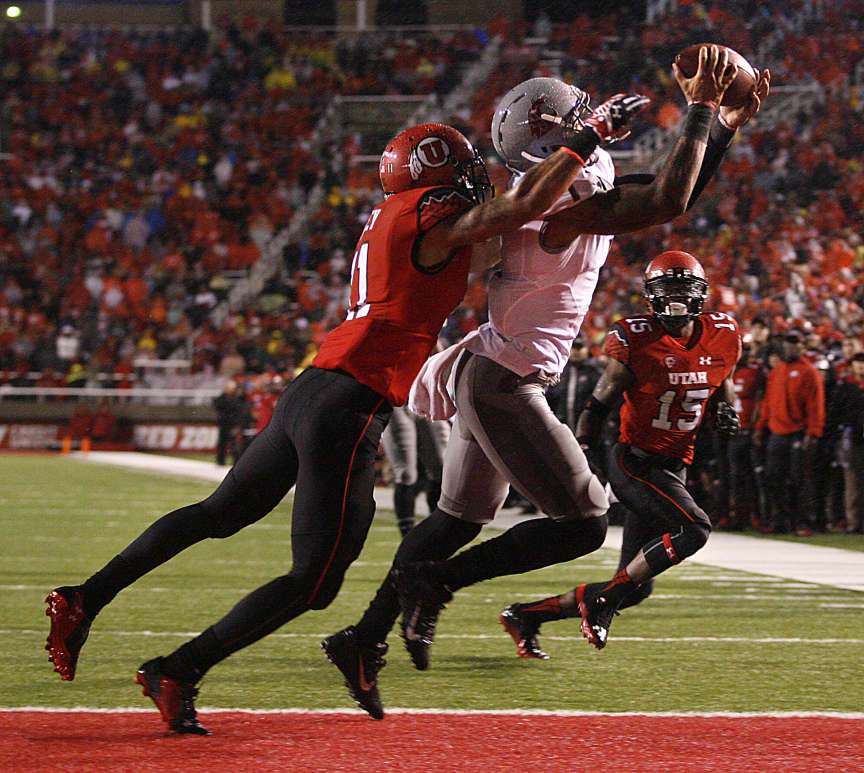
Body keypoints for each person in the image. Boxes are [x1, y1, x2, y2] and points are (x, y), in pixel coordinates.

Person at [45, 109, 645, 734]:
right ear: (438, 176)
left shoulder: (390, 217)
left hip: (313, 387)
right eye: (464, 169)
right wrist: (586, 136)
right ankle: (180, 670)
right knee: (317, 579)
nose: (475, 179)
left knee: (218, 513)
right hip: (349, 404)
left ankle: (86, 597)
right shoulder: (430, 212)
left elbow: (528, 225)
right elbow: (508, 213)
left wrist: (598, 183)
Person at [325, 47, 769, 717]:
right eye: (577, 114)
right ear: (560, 132)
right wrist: (704, 106)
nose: (591, 116)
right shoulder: (562, 201)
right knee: (585, 521)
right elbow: (668, 198)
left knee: (454, 518)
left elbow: (669, 189)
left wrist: (726, 125)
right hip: (503, 381)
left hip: (494, 370)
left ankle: (363, 636)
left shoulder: (555, 186)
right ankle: (435, 584)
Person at [498, 250, 741, 656]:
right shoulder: (636, 337)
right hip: (635, 462)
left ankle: (527, 615)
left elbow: (722, 383)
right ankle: (603, 602)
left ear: (701, 295)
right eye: (668, 289)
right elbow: (598, 405)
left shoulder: (724, 334)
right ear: (651, 295)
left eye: (684, 289)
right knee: (694, 529)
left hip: (674, 466)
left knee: (635, 586)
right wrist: (587, 455)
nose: (676, 298)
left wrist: (727, 410)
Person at [754, 329, 825, 536]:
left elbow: (816, 406)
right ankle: (780, 520)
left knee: (799, 480)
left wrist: (813, 434)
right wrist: (760, 427)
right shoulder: (777, 371)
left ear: (802, 346)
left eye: (795, 343)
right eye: (787, 343)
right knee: (774, 478)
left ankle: (802, 522)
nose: (790, 347)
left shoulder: (809, 371)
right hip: (777, 433)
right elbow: (768, 402)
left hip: (798, 433)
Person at [381, 406, 450, 537]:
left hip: (427, 399)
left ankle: (438, 529)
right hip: (397, 402)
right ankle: (407, 536)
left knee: (443, 469)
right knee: (406, 474)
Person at [213, 380, 247, 466]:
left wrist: (238, 423)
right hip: (224, 423)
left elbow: (240, 410)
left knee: (234, 444)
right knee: (222, 443)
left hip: (233, 424)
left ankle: (236, 461)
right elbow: (217, 404)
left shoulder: (238, 399)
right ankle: (221, 460)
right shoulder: (222, 398)